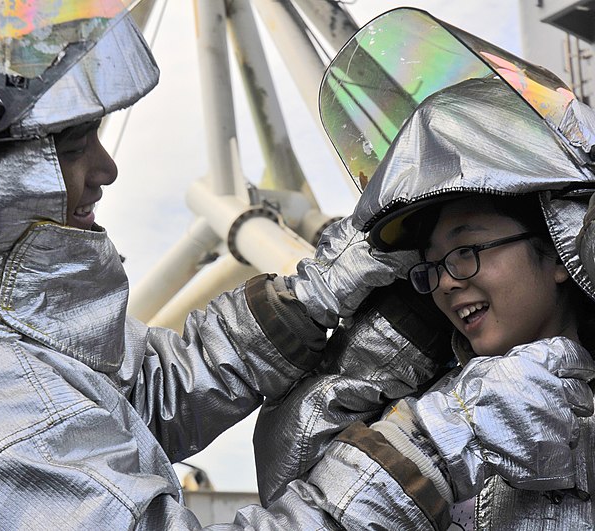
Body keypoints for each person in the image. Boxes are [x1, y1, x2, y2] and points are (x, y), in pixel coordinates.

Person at [0, 2, 450, 529]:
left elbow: (143, 392)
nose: (107, 169)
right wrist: (438, 446)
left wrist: (313, 296)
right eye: (78, 144)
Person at [254, 8, 595, 530]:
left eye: (466, 250)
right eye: (431, 266)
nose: (447, 281)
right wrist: (379, 353)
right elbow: (290, 485)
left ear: (557, 254)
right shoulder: (429, 410)